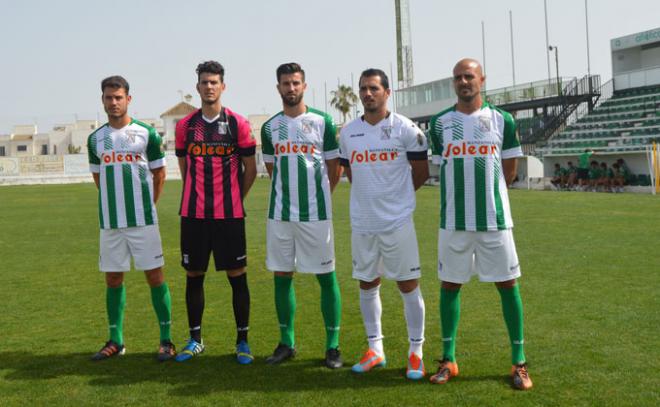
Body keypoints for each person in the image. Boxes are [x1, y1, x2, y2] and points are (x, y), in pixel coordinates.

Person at [428, 58, 532, 390]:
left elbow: (510, 170)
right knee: (449, 286)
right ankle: (449, 359)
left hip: (494, 220)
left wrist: (489, 195)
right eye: (458, 78)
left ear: (482, 79)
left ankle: (519, 363)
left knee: (508, 285)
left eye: (469, 76)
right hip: (454, 221)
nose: (463, 82)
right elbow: (438, 168)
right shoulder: (440, 123)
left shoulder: (502, 120)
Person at [339, 68, 429, 380]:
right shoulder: (348, 133)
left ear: (387, 92)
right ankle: (375, 349)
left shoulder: (406, 129)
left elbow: (420, 172)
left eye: (374, 88)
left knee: (407, 285)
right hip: (363, 223)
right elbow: (351, 173)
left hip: (397, 222)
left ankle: (415, 352)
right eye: (363, 89)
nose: (367, 94)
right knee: (367, 284)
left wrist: (397, 199)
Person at [260, 63, 343, 368]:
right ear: (278, 87)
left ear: (304, 86)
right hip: (280, 215)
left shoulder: (323, 122)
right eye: (285, 83)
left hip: (316, 215)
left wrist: (320, 195)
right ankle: (286, 342)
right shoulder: (270, 128)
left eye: (296, 83)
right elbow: (272, 169)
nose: (291, 88)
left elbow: (335, 167)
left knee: (326, 276)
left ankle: (332, 345)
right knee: (282, 277)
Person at [174, 61, 257, 364]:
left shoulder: (238, 123)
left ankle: (243, 341)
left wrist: (236, 197)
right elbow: (185, 169)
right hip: (194, 215)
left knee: (237, 276)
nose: (209, 87)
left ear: (223, 86)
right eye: (204, 82)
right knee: (194, 275)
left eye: (214, 82)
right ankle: (195, 339)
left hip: (230, 215)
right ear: (197, 87)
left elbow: (250, 169)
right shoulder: (185, 126)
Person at [87, 75, 175, 361]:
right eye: (109, 98)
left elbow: (159, 175)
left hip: (143, 221)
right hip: (111, 223)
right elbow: (99, 178)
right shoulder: (95, 139)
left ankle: (166, 340)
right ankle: (116, 341)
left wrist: (146, 206)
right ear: (103, 100)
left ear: (128, 99)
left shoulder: (147, 134)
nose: (113, 102)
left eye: (118, 97)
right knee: (113, 279)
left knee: (155, 276)